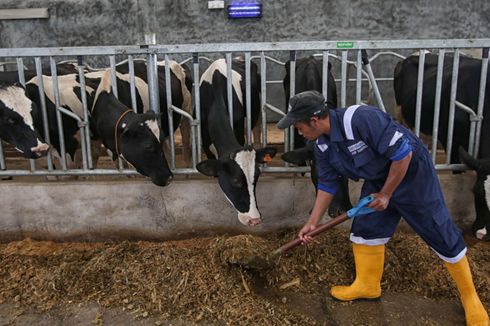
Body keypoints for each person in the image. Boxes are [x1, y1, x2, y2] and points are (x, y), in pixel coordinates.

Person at [277, 90, 488, 326]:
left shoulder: (361, 119)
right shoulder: (322, 145)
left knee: (438, 228)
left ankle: (470, 297)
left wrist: (387, 194)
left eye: (298, 126)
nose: (298, 131)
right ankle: (368, 286)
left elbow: (402, 154)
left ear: (314, 121)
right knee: (366, 230)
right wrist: (312, 222)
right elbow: (327, 184)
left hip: (412, 174)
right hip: (378, 179)